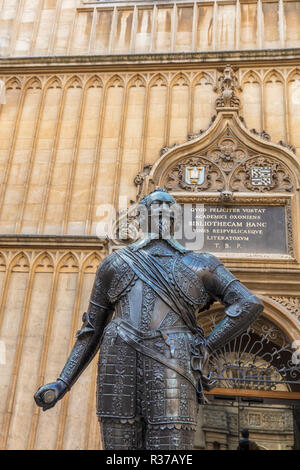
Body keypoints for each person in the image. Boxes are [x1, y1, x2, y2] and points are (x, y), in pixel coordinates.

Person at [34, 188, 263, 450]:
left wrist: (208, 345)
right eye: (157, 207)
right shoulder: (117, 263)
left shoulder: (200, 264)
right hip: (121, 361)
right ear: (142, 218)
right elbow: (91, 330)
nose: (162, 212)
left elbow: (248, 303)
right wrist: (63, 382)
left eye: (167, 207)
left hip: (170, 361)